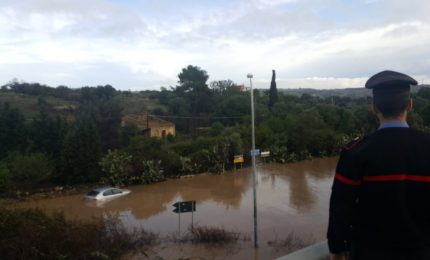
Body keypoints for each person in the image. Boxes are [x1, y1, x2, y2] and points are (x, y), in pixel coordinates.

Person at [327, 70, 430, 260]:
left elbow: (340, 206)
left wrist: (336, 247)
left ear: (374, 108)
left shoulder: (354, 152)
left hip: (369, 252)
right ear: (410, 105)